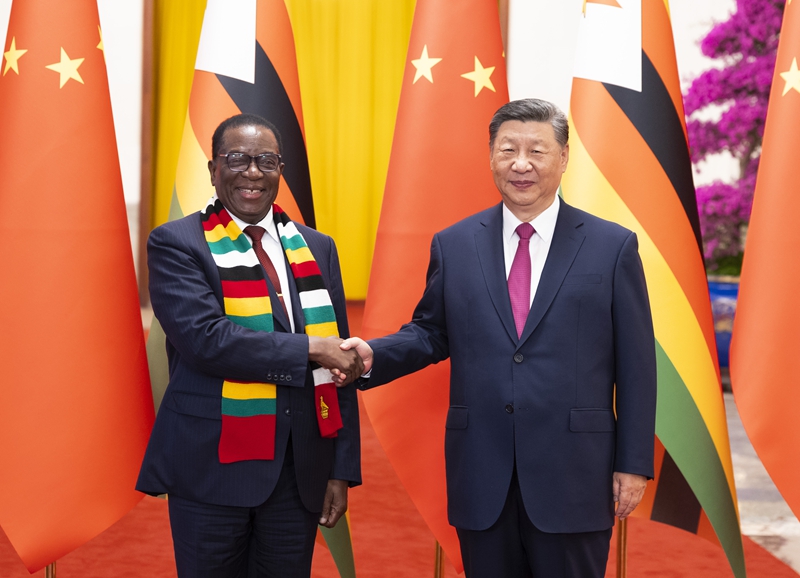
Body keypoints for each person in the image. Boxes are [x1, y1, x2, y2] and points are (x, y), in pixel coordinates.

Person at [339, 98, 656, 578]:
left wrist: (632, 463)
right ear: (491, 156)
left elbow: (637, 367)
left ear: (563, 157)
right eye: (508, 150)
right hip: (482, 473)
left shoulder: (612, 247)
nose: (521, 164)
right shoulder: (455, 244)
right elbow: (431, 332)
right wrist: (372, 355)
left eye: (537, 151)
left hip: (574, 474)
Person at [137, 113, 362, 578]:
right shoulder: (177, 243)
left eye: (266, 161)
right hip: (212, 467)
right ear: (213, 169)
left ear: (281, 170)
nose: (253, 172)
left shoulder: (317, 248)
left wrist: (340, 468)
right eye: (237, 159)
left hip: (298, 471)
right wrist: (309, 349)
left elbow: (339, 362)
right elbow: (207, 341)